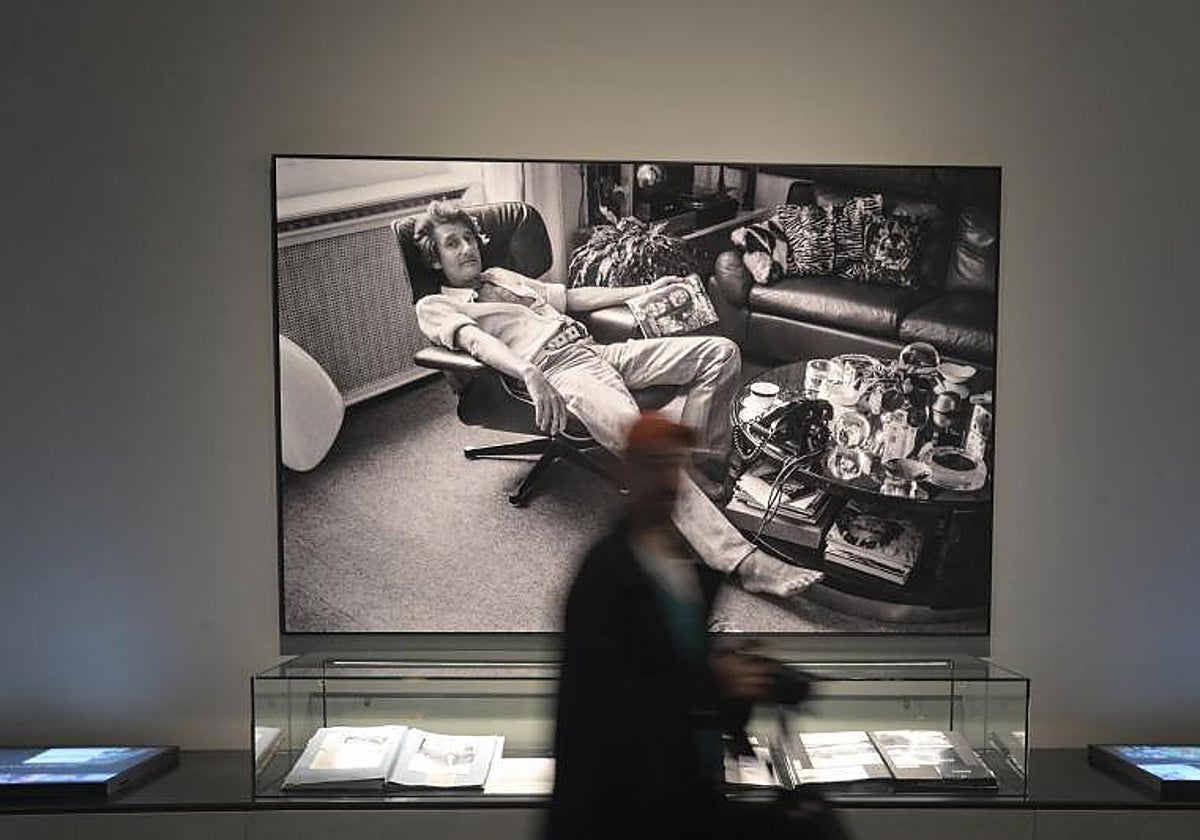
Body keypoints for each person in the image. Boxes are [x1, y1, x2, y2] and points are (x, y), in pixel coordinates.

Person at [412, 200, 821, 598]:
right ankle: (740, 562)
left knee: (721, 353)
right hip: (558, 369)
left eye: (469, 238)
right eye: (452, 243)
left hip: (597, 351)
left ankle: (695, 467)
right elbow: (476, 342)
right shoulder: (435, 305)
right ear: (435, 259)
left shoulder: (500, 276)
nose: (467, 248)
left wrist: (645, 288)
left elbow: (570, 299)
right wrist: (528, 372)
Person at [545, 412, 777, 840]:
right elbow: (607, 703)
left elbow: (678, 665)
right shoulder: (604, 575)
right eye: (654, 465)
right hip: (625, 809)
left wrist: (739, 681)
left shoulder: (682, 564)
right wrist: (715, 679)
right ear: (626, 470)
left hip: (686, 788)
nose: (668, 480)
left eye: (674, 465)